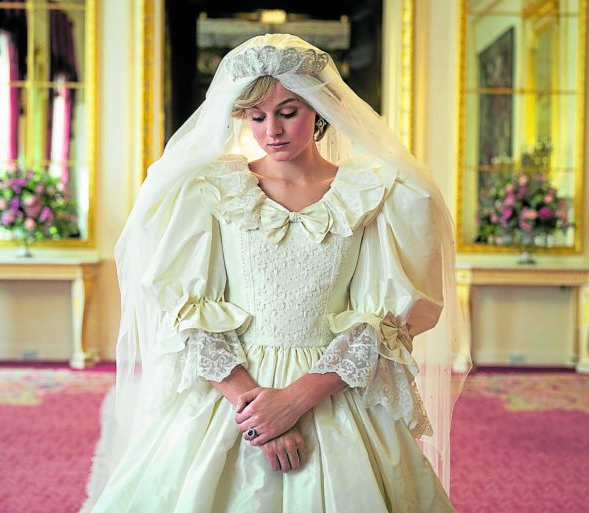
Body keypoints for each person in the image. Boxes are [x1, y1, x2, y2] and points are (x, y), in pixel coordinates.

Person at [88, 33, 466, 512]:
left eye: (289, 111)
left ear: (318, 110)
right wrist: (258, 416)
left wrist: (294, 401)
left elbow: (381, 324)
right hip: (231, 389)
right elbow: (189, 316)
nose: (273, 130)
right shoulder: (211, 187)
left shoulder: (375, 192)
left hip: (332, 388)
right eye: (256, 116)